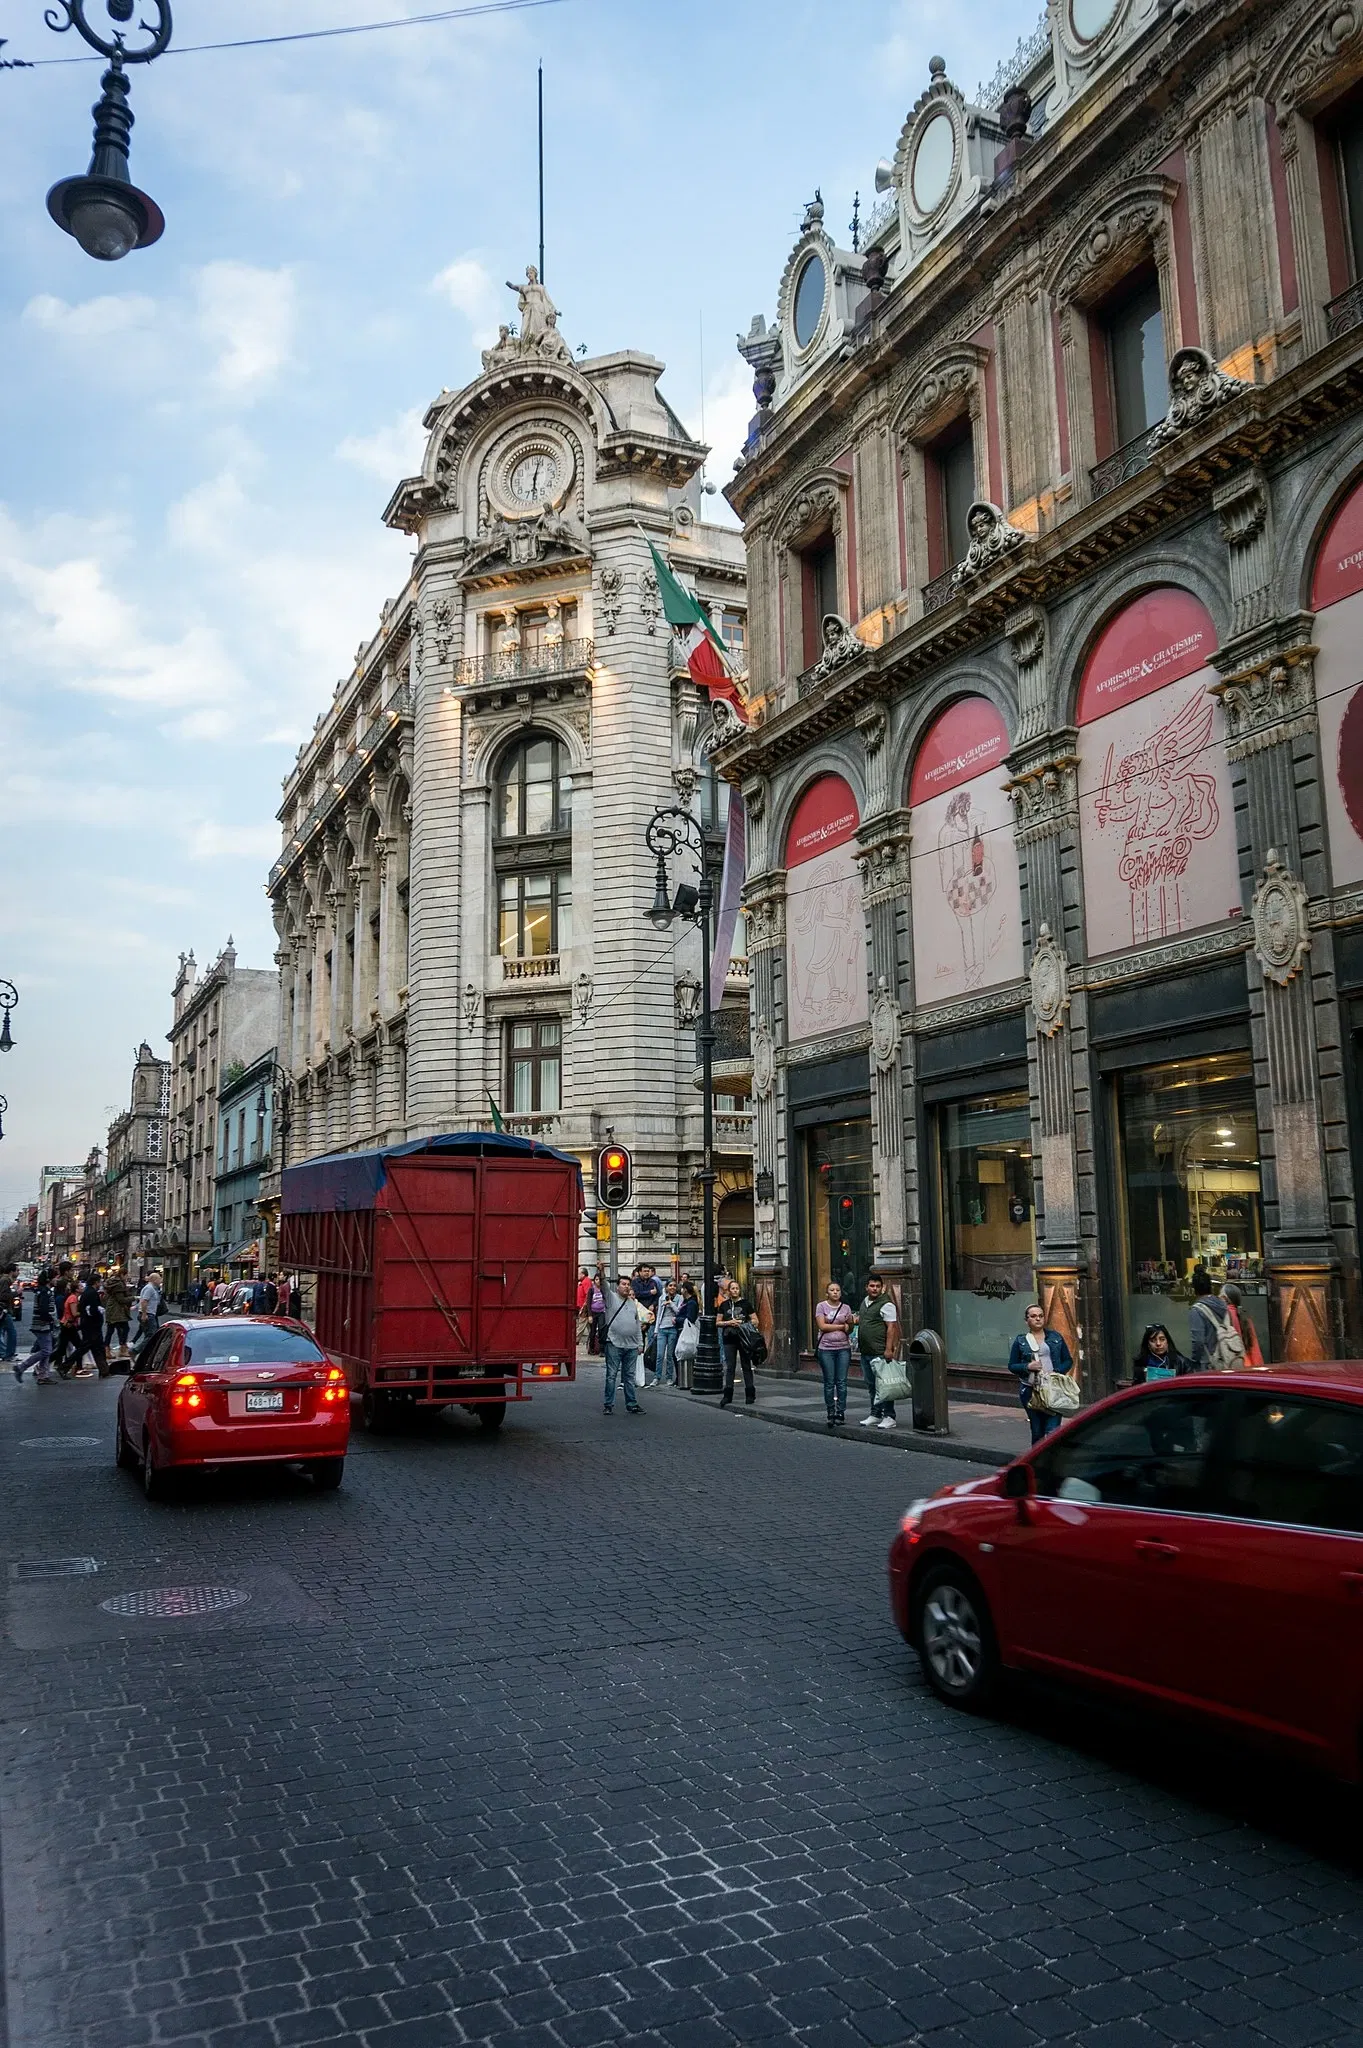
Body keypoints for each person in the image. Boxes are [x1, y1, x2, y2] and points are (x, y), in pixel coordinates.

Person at [1007, 1301, 1076, 1444]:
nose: (1038, 1319)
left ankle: (1052, 1461)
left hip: (1053, 1388)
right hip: (1031, 1390)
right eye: (1033, 1316)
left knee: (1053, 1430)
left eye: (1040, 1316)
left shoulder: (1055, 1337)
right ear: (1027, 1320)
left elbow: (1068, 1360)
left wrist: (1057, 1373)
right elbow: (1012, 1365)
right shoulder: (1021, 1341)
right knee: (1037, 1430)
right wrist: (1027, 1366)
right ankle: (1038, 1460)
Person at [595, 1266, 644, 1415]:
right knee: (611, 1375)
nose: (626, 1287)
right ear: (618, 1286)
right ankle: (608, 1404)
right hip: (614, 1343)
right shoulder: (611, 1298)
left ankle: (632, 1404)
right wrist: (602, 1272)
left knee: (629, 1377)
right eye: (623, 1284)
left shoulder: (632, 1303)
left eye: (628, 1284)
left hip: (631, 1345)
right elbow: (603, 1286)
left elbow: (637, 1325)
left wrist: (640, 1343)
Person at [856, 1273, 900, 1429]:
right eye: (872, 1286)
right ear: (866, 1287)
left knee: (885, 1385)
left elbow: (891, 1328)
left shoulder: (886, 1304)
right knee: (871, 1385)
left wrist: (889, 1349)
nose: (874, 1289)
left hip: (880, 1352)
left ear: (882, 1288)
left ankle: (889, 1416)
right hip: (866, 1352)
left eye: (877, 1286)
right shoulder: (865, 1302)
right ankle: (875, 1414)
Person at [814, 1279, 855, 1428]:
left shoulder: (846, 1307)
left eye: (837, 1290)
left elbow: (849, 1329)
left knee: (842, 1382)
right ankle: (830, 1411)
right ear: (827, 1293)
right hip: (826, 1349)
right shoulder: (821, 1306)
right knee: (829, 1382)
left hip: (844, 1348)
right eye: (832, 1290)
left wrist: (849, 1325)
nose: (835, 1292)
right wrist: (841, 1326)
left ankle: (841, 1412)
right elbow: (822, 1326)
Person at [1189, 1267, 1240, 1370]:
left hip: (1209, 1363)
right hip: (1230, 1358)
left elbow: (1198, 1341)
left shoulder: (1197, 1310)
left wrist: (1194, 1361)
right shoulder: (1224, 1304)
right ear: (1210, 1287)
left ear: (1194, 1289)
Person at [717, 1277, 757, 1408]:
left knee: (746, 1365)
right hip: (729, 1338)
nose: (735, 1291)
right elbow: (718, 1322)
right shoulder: (724, 1305)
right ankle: (727, 1394)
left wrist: (744, 1323)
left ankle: (750, 1394)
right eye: (732, 1288)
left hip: (743, 1338)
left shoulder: (746, 1304)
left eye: (737, 1288)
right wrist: (729, 1322)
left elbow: (755, 1320)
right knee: (730, 1367)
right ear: (728, 1291)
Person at [15, 1270, 58, 1384]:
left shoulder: (42, 1291)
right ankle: (22, 1367)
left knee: (46, 1349)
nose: (56, 1280)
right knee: (46, 1350)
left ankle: (43, 1375)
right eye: (55, 1278)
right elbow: (44, 1310)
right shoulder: (45, 1292)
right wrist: (51, 1320)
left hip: (41, 1324)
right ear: (49, 1279)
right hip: (42, 1324)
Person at [1221, 1281, 1264, 1367]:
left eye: (1220, 1296)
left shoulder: (1224, 1316)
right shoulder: (1244, 1317)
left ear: (1224, 1298)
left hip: (1233, 1364)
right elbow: (1254, 1347)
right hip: (1248, 1363)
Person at [651, 1280, 681, 1388]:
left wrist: (671, 1304)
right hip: (662, 1328)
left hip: (673, 1328)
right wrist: (656, 1330)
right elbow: (659, 1314)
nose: (672, 1287)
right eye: (670, 1285)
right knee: (659, 1355)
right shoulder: (661, 1298)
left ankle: (669, 1377)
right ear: (666, 1287)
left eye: (674, 1285)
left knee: (669, 1355)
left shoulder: (679, 1298)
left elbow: (679, 1312)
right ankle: (656, 1377)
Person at [78, 1273, 109, 1378]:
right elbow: (92, 1309)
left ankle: (104, 1369)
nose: (100, 1284)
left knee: (97, 1348)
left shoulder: (88, 1292)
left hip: (89, 1324)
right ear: (96, 1282)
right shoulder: (92, 1293)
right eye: (99, 1282)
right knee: (93, 1347)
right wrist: (99, 1311)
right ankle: (65, 1365)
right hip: (92, 1325)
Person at [132, 1269, 164, 1362]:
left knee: (149, 1336)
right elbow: (144, 1301)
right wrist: (144, 1314)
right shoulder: (149, 1288)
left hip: (150, 1314)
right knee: (152, 1335)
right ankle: (135, 1351)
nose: (160, 1281)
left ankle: (147, 1355)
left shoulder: (152, 1288)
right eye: (159, 1279)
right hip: (148, 1315)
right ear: (154, 1280)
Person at [103, 1268, 133, 1364]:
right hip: (117, 1310)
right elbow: (121, 1299)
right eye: (127, 1275)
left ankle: (108, 1348)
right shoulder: (119, 1284)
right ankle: (121, 1348)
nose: (127, 1277)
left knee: (112, 1329)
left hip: (112, 1308)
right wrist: (133, 1298)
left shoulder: (114, 1282)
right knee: (124, 1328)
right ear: (123, 1274)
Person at [0, 1264, 19, 1364]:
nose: (18, 1272)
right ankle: (9, 1354)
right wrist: (16, 1293)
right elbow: (3, 1295)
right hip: (4, 1310)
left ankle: (4, 1353)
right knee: (12, 1333)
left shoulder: (5, 1280)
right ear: (12, 1272)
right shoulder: (5, 1280)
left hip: (4, 1310)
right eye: (17, 1270)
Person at [574, 1268, 593, 1354]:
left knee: (581, 1324)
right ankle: (593, 1340)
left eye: (579, 1273)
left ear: (583, 1274)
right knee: (590, 1326)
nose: (577, 1275)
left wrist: (585, 1306)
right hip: (581, 1306)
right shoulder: (583, 1282)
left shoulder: (586, 1282)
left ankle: (575, 1339)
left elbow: (587, 1295)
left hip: (584, 1308)